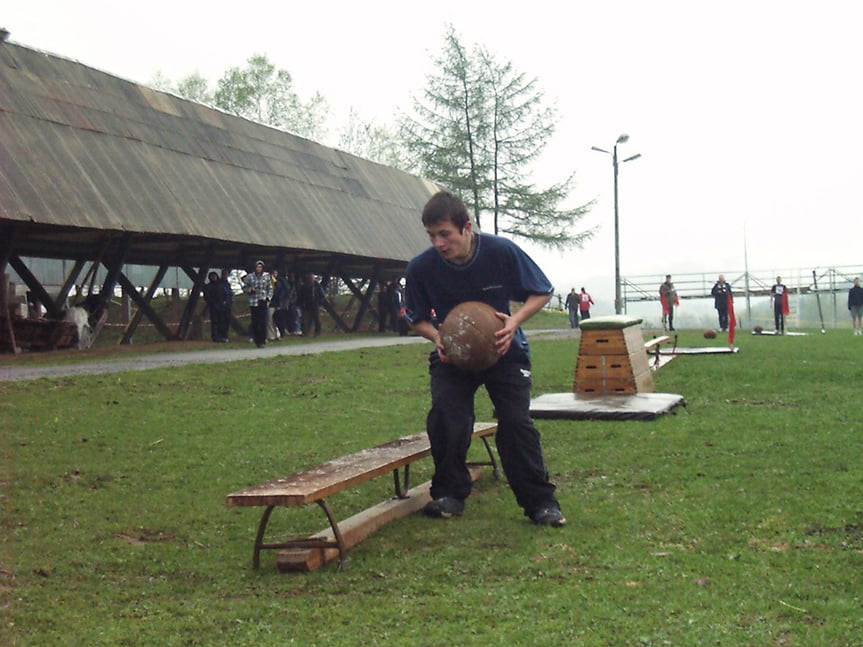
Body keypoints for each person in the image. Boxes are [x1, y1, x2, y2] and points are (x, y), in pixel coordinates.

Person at [403, 190, 565, 527]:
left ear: (466, 227)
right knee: (447, 415)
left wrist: (515, 322)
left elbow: (542, 290)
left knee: (515, 423)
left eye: (444, 234)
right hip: (453, 357)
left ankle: (541, 503)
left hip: (504, 351)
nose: (438, 243)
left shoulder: (500, 251)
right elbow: (415, 317)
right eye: (431, 236)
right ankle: (449, 493)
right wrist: (438, 338)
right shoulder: (421, 267)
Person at [243, 260, 272, 348]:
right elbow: (244, 288)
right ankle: (257, 340)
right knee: (255, 322)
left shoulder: (266, 276)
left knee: (263, 321)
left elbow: (270, 288)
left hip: (262, 300)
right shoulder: (249, 277)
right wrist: (250, 290)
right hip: (253, 301)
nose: (258, 269)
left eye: (260, 267)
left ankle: (262, 340)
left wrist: (268, 298)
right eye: (257, 267)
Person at [202, 271, 230, 342]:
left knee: (222, 321)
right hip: (213, 307)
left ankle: (223, 336)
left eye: (214, 276)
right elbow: (206, 297)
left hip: (222, 306)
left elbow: (226, 294)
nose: (214, 278)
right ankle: (215, 336)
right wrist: (212, 303)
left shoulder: (220, 285)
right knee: (214, 322)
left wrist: (225, 301)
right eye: (212, 277)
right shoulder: (208, 286)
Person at [270, 268, 294, 339]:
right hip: (275, 300)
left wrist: (281, 298)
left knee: (281, 316)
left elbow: (286, 290)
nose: (274, 275)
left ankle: (284, 330)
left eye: (275, 273)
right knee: (277, 316)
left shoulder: (281, 280)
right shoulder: (272, 280)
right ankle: (282, 331)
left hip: (281, 300)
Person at [299, 272, 324, 337]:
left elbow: (321, 295)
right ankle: (305, 332)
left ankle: (317, 332)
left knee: (317, 319)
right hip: (307, 305)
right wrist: (302, 303)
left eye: (312, 278)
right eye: (310, 278)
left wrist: (319, 303)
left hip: (315, 304)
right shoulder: (304, 286)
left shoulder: (317, 286)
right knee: (305, 319)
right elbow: (301, 296)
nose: (311, 279)